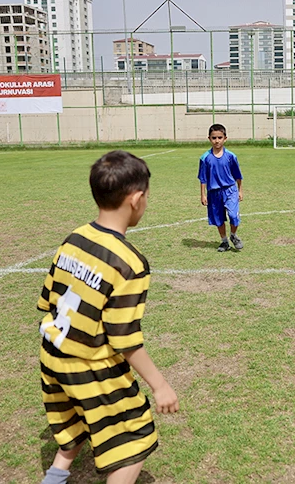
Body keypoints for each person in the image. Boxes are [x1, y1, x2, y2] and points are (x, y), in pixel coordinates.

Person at [38, 150, 179, 484]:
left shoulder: (73, 239)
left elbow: (48, 300)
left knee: (74, 421)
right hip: (90, 367)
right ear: (136, 199)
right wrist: (160, 385)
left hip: (52, 356)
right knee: (133, 438)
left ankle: (54, 477)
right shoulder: (129, 263)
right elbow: (122, 337)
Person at [199, 123, 244, 252]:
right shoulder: (205, 158)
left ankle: (233, 236)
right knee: (218, 219)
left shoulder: (231, 156)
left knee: (233, 216)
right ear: (209, 139)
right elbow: (203, 178)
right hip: (213, 192)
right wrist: (203, 194)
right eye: (214, 138)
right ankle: (224, 241)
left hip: (230, 190)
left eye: (219, 137)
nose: (217, 141)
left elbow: (238, 175)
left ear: (225, 138)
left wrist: (240, 190)